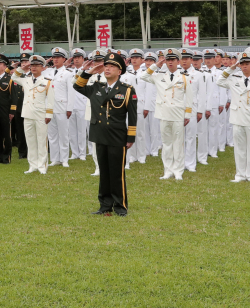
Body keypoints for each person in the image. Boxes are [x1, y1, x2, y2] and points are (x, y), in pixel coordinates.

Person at [74, 52, 138, 216]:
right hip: (99, 134)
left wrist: (131, 137)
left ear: (119, 71)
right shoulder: (96, 87)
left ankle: (120, 206)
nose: (107, 68)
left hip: (117, 136)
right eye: (106, 66)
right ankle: (105, 205)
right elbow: (77, 86)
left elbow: (132, 115)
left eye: (112, 66)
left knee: (117, 173)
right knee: (104, 172)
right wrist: (88, 72)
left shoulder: (127, 90)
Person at [217, 49, 250, 183]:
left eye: (248, 63)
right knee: (240, 147)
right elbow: (219, 81)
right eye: (242, 63)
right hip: (237, 117)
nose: (245, 66)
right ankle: (240, 174)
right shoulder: (234, 78)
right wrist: (232, 68)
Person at [137, 49, 192, 180]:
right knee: (166, 144)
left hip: (178, 114)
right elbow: (143, 76)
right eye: (168, 60)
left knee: (178, 143)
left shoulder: (184, 77)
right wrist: (157, 65)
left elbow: (189, 98)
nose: (170, 62)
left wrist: (188, 115)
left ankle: (178, 171)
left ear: (178, 61)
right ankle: (167, 170)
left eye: (173, 60)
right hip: (163, 113)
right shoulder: (159, 75)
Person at [12, 55, 55, 175]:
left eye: (37, 65)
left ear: (43, 67)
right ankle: (32, 165)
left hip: (41, 115)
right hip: (27, 114)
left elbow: (51, 100)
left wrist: (49, 115)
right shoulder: (26, 80)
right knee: (30, 141)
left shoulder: (47, 81)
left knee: (41, 141)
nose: (34, 67)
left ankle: (42, 166)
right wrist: (22, 67)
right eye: (32, 65)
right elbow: (14, 77)